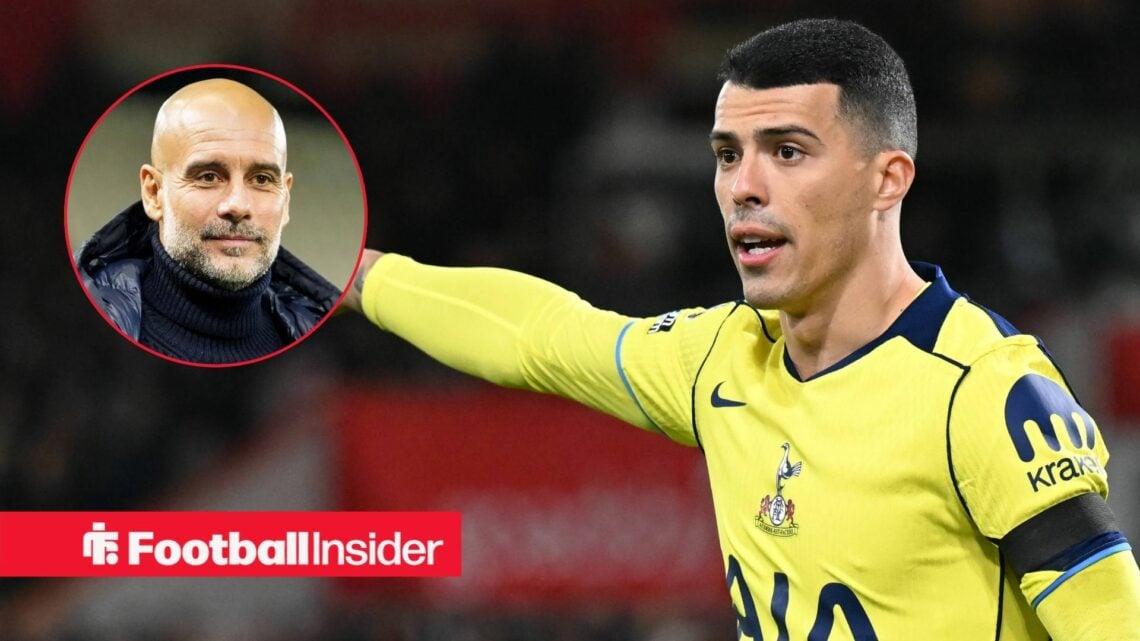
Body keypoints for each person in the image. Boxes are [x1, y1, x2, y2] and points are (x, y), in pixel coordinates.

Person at [345, 19, 1140, 640]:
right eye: (729, 154)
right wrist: (354, 275)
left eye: (788, 151)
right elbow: (541, 335)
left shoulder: (985, 391)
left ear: (886, 179)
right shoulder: (717, 358)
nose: (744, 187)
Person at [75, 78, 340, 365]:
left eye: (262, 179)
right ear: (154, 193)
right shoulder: (82, 332)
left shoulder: (323, 343)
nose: (237, 205)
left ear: (285, 199)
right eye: (208, 177)